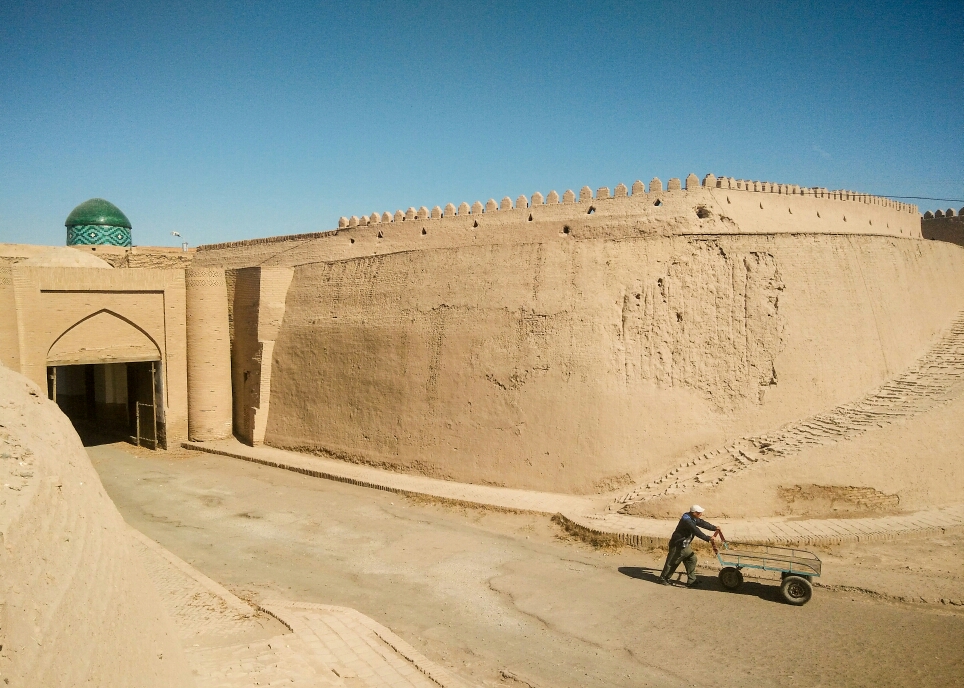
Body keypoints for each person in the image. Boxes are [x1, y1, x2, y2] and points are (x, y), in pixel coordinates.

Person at [658, 505, 722, 587]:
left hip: (685, 544)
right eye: (699, 513)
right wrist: (708, 538)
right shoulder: (687, 520)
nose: (701, 514)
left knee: (692, 559)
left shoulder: (692, 517)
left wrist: (714, 528)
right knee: (672, 562)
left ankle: (691, 580)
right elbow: (695, 530)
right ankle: (663, 578)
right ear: (694, 513)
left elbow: (702, 523)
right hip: (678, 544)